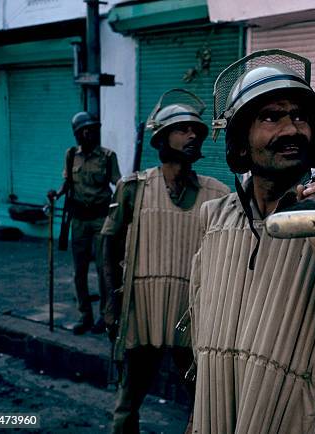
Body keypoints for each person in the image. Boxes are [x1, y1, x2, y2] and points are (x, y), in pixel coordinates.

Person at [188, 50, 315, 434]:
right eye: (271, 117)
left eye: (300, 117)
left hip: (307, 419)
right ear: (240, 140)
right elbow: (203, 330)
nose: (291, 129)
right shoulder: (217, 216)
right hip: (222, 408)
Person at [100, 89, 230, 434]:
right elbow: (109, 245)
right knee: (128, 398)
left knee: (204, 397)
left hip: (190, 315)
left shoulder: (217, 194)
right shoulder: (133, 187)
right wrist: (111, 302)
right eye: (182, 130)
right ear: (161, 139)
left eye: (196, 132)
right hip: (142, 311)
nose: (192, 136)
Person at [48, 111, 121, 335]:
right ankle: (85, 315)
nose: (88, 133)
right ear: (76, 134)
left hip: (100, 219)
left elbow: (118, 184)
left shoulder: (107, 156)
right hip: (79, 220)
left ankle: (104, 315)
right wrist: (56, 195)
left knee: (103, 269)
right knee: (79, 271)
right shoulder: (71, 156)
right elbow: (67, 184)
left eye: (92, 129)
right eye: (83, 131)